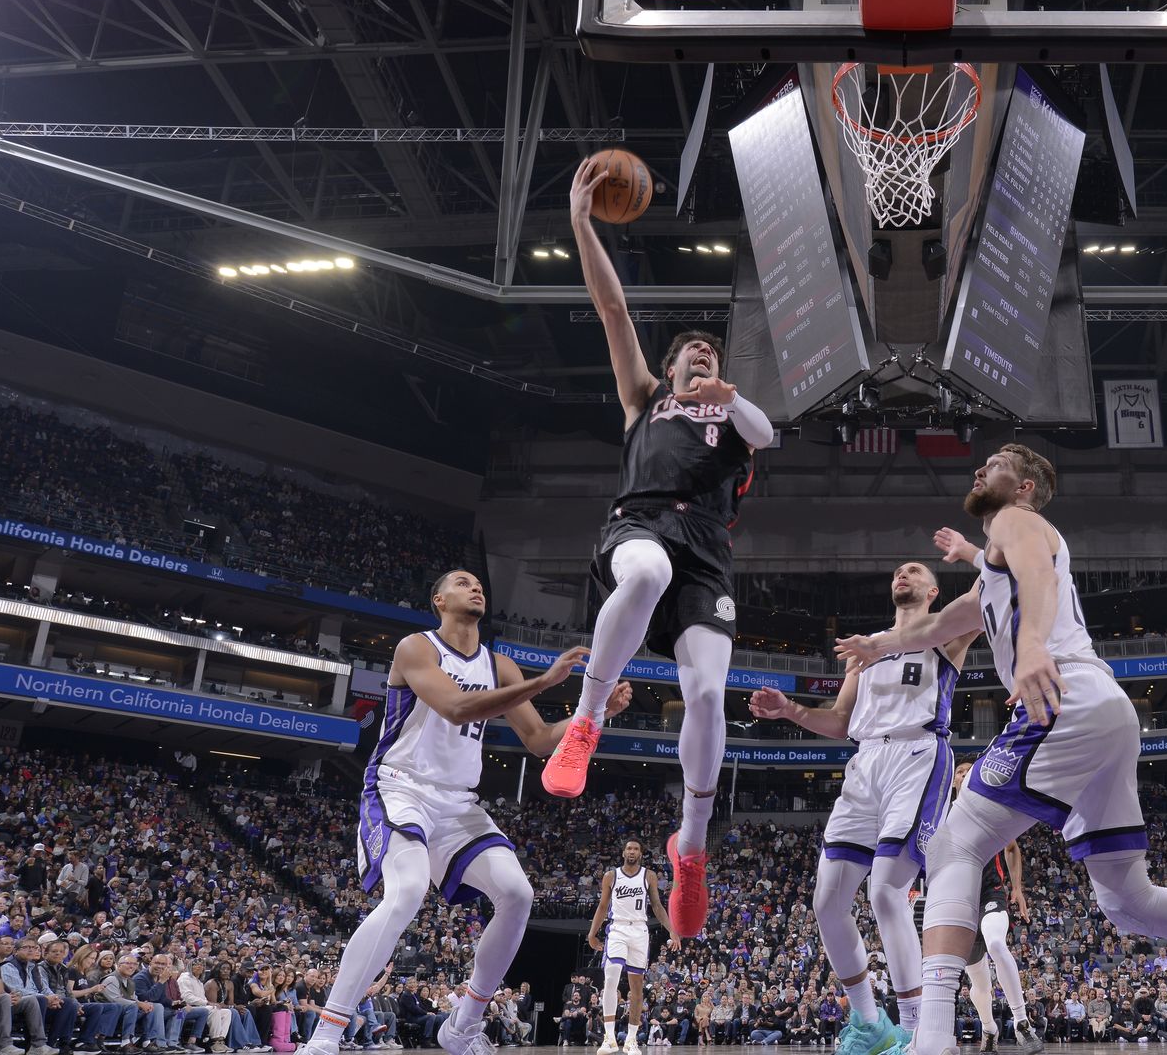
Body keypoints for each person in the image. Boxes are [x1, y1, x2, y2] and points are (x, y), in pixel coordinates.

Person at [837, 444, 1167, 1055]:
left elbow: (1030, 570)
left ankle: (933, 1038)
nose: (981, 468)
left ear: (1025, 486)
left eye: (997, 462)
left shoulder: (1016, 521)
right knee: (1128, 899)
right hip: (1105, 711)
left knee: (955, 845)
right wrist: (876, 646)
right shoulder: (991, 579)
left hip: (1068, 697)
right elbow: (926, 628)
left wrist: (1030, 649)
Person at [544, 157, 776, 941]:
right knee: (644, 570)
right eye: (692, 354)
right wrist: (580, 223)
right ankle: (584, 722)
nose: (703, 357)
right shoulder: (646, 401)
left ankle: (693, 849)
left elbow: (767, 434)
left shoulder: (735, 423)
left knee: (708, 696)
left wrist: (731, 396)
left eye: (713, 354)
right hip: (641, 524)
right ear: (669, 369)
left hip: (708, 551)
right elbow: (612, 310)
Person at [301, 570, 619, 1055]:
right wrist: (544, 681)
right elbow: (454, 707)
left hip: (458, 803)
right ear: (439, 599)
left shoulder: (500, 665)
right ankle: (327, 1032)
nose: (477, 588)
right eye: (464, 583)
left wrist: (595, 713)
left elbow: (537, 741)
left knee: (517, 893)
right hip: (400, 786)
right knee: (406, 891)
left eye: (480, 585)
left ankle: (464, 1024)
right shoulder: (416, 648)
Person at [748, 561, 975, 1054]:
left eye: (914, 570)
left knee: (887, 890)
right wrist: (789, 710)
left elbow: (991, 591)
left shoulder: (946, 633)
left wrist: (981, 547)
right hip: (866, 760)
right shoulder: (865, 649)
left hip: (918, 753)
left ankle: (920, 1034)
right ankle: (872, 1023)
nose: (903, 573)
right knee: (827, 901)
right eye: (898, 570)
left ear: (933, 590)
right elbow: (838, 721)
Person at [940, 764, 1036, 1055]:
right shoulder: (943, 813)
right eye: (960, 770)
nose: (964, 773)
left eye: (969, 769)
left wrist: (1017, 888)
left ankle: (1022, 1023)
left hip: (990, 892)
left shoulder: (988, 807)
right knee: (978, 981)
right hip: (961, 899)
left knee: (996, 942)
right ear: (954, 779)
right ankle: (990, 1030)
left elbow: (1011, 847)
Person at [586, 842, 676, 1055]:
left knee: (637, 987)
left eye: (636, 849)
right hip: (617, 928)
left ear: (641, 854)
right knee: (611, 977)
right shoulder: (611, 876)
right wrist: (592, 933)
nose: (632, 852)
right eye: (629, 849)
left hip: (639, 931)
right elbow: (602, 906)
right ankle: (609, 1037)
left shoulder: (649, 876)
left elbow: (656, 905)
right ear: (623, 852)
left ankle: (631, 1040)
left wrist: (672, 930)